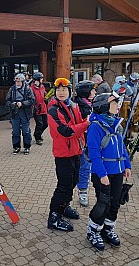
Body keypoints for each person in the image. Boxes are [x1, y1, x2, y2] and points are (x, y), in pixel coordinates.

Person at [86, 92, 132, 251]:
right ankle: (93, 230)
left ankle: (107, 229)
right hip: (103, 173)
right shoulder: (95, 127)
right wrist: (102, 174)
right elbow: (93, 153)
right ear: (103, 106)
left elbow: (122, 147)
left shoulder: (116, 125)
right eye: (114, 103)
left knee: (115, 202)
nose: (117, 106)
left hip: (118, 171)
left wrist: (127, 165)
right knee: (103, 204)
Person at [47, 78, 89, 231]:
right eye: (58, 90)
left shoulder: (73, 106)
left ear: (70, 91)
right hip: (63, 154)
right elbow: (66, 131)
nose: (61, 92)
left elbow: (80, 122)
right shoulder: (53, 110)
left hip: (76, 151)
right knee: (64, 185)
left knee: (74, 181)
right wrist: (86, 124)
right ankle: (54, 216)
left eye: (64, 90)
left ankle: (64, 206)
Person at [73, 80, 97, 207]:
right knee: (82, 166)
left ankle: (85, 190)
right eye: (92, 90)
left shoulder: (94, 104)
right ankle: (80, 190)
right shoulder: (76, 106)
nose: (94, 92)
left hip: (93, 141)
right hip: (79, 141)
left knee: (87, 166)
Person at [5, 73, 36, 155]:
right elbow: (7, 101)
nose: (17, 83)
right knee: (15, 131)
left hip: (25, 112)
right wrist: (12, 104)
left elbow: (32, 100)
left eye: (19, 81)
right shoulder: (12, 90)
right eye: (16, 81)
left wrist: (22, 103)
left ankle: (27, 147)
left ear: (23, 81)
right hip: (15, 112)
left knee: (26, 131)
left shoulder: (28, 89)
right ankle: (16, 147)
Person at [30, 72, 48, 145]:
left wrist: (47, 96)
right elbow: (31, 99)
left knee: (46, 123)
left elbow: (44, 94)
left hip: (43, 108)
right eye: (41, 78)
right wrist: (34, 106)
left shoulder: (42, 87)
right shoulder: (31, 89)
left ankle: (38, 134)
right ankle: (38, 138)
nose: (42, 80)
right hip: (37, 109)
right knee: (39, 124)